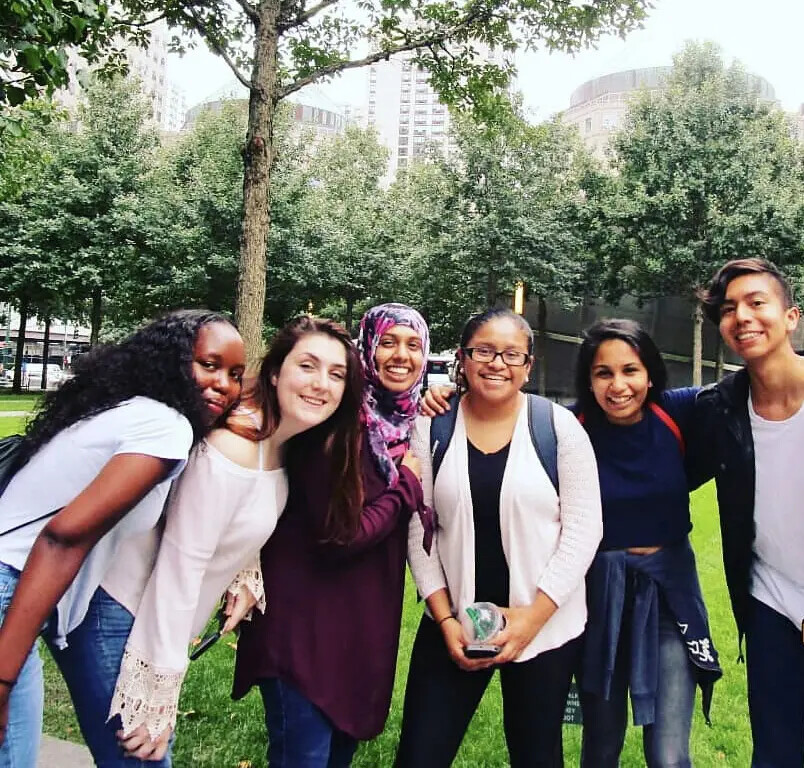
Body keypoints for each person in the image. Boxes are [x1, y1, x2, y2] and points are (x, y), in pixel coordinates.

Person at [99, 315, 364, 766]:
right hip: (125, 619)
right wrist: (159, 698)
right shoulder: (231, 449)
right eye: (308, 366)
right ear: (276, 372)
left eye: (336, 374)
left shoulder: (279, 444)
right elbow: (177, 571)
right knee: (141, 757)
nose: (322, 384)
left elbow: (238, 518)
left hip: (158, 624)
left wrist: (245, 569)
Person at [0, 309, 245, 768]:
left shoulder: (130, 410)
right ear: (170, 360)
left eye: (235, 374)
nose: (224, 385)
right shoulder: (166, 428)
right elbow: (60, 540)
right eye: (208, 365)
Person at [397, 307, 602, 768]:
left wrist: (533, 619)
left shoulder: (557, 428)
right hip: (454, 619)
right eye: (484, 351)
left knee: (536, 755)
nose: (496, 364)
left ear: (528, 366)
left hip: (544, 625)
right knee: (420, 753)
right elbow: (419, 525)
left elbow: (585, 529)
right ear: (463, 360)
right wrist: (446, 619)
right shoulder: (433, 425)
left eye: (512, 354)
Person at [233, 303, 429, 768]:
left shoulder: (407, 426)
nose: (401, 356)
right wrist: (407, 486)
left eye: (413, 345)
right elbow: (343, 536)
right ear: (366, 350)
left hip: (358, 626)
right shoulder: (333, 423)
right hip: (303, 629)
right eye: (387, 342)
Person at [571, 319, 721, 768]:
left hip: (669, 595)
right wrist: (442, 396)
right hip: (599, 599)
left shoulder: (679, 412)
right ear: (589, 380)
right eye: (604, 373)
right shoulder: (567, 428)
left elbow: (758, 379)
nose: (619, 385)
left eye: (630, 370)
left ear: (650, 373)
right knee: (600, 745)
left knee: (670, 754)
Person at [693, 258, 804, 767]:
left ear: (791, 317)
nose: (742, 316)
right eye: (729, 309)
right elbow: (630, 404)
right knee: (777, 752)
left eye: (757, 302)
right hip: (771, 604)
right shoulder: (721, 406)